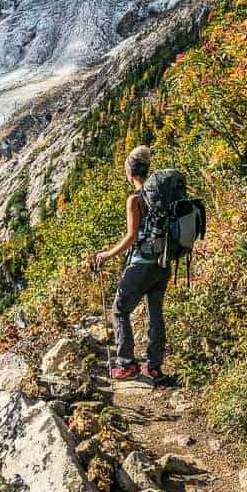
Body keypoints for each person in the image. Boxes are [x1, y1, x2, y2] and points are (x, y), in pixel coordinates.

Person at [95, 146, 171, 380]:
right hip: (163, 264)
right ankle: (154, 366)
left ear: (130, 173)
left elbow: (130, 237)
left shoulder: (135, 200)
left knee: (119, 310)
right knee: (155, 313)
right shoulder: (162, 197)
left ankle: (126, 364)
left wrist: (107, 255)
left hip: (141, 264)